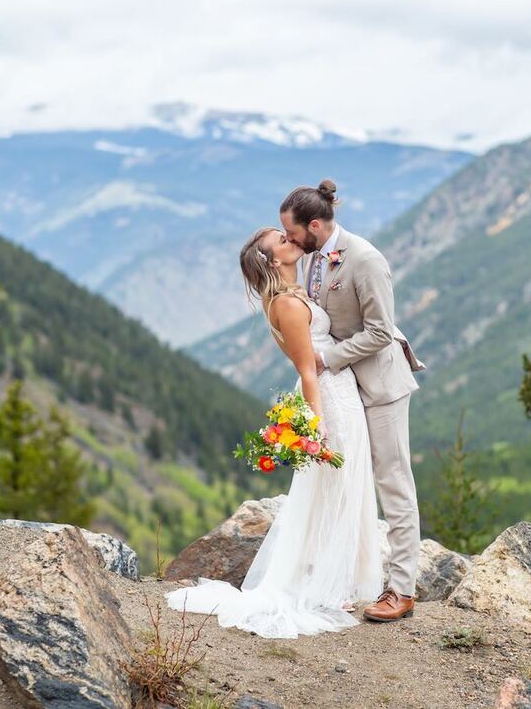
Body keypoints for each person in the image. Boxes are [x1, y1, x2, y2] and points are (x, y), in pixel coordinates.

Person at [164, 185, 390, 638]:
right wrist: (317, 426)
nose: (292, 242)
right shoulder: (286, 304)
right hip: (329, 396)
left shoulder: (293, 288)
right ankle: (330, 583)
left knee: (344, 487)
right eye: (282, 242)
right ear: (273, 260)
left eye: (288, 235)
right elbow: (308, 371)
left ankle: (340, 576)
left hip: (338, 388)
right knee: (335, 488)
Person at [279, 179, 424, 623]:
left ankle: (402, 589)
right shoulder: (312, 261)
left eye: (291, 232)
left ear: (316, 225)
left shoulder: (365, 259)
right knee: (344, 482)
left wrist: (326, 360)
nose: (288, 240)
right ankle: (342, 577)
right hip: (343, 391)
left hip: (380, 385)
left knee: (392, 479)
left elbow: (381, 331)